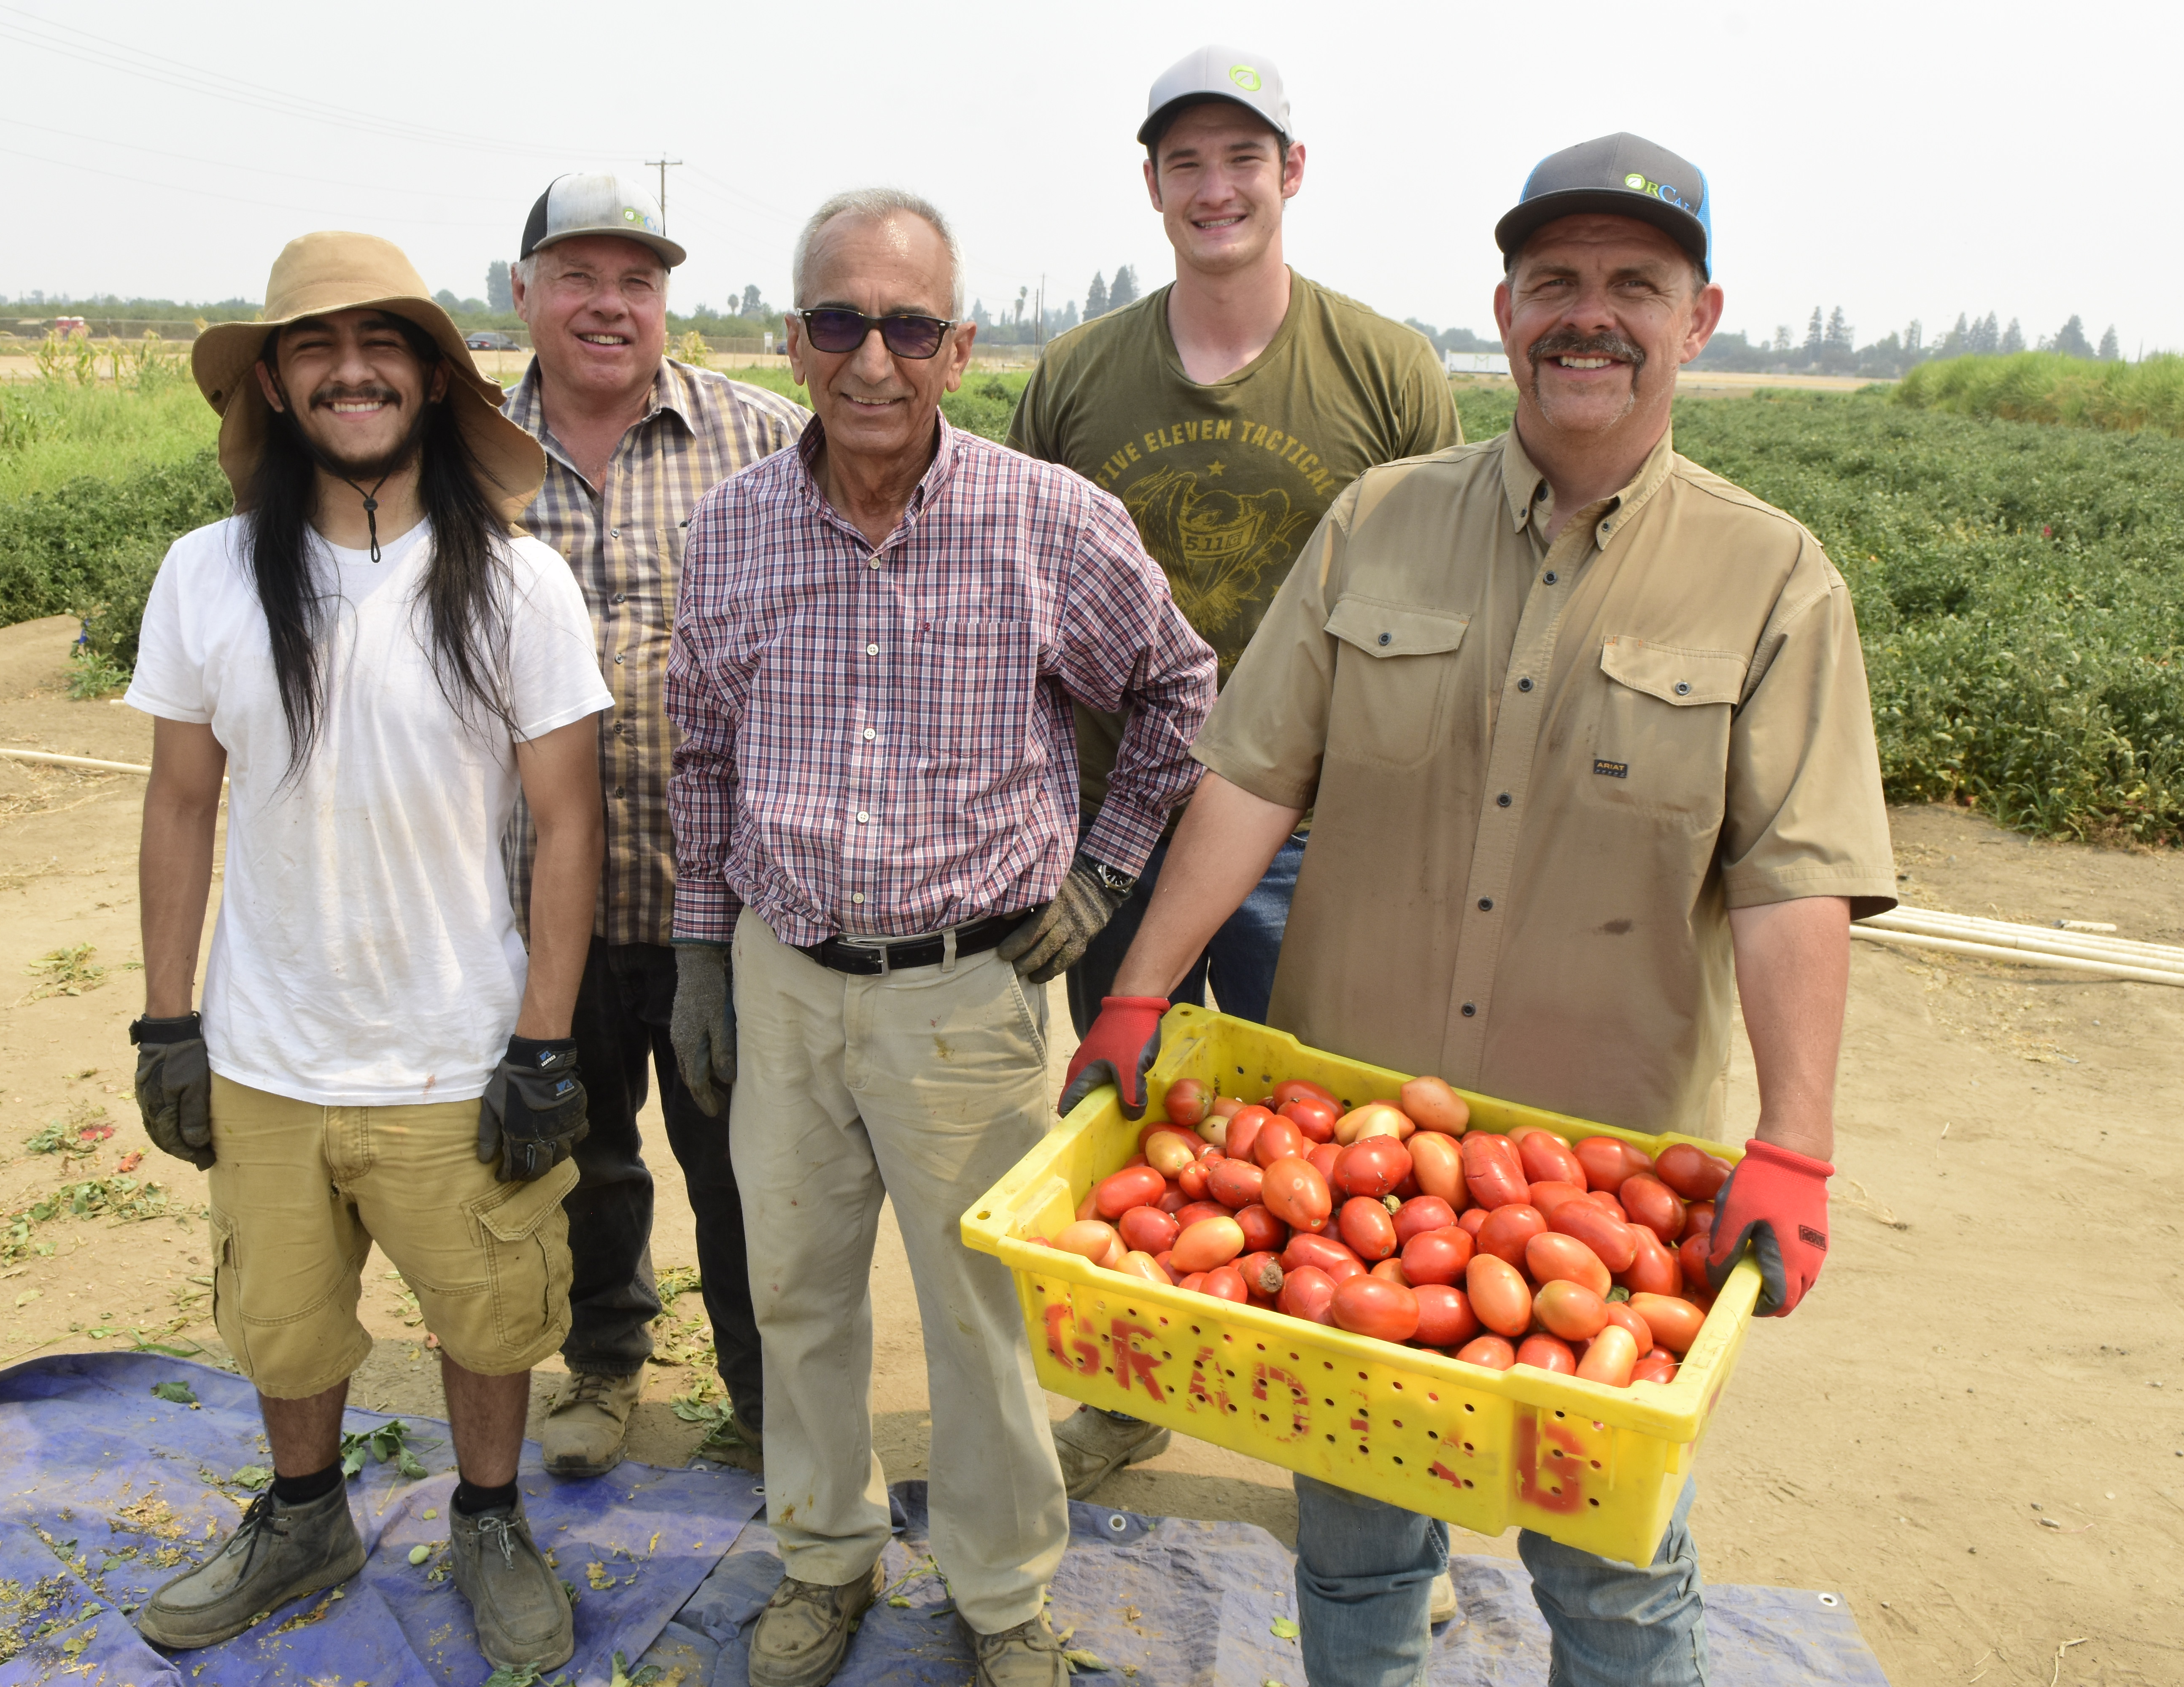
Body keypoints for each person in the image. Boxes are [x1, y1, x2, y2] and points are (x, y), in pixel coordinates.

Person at [1060, 134, 1897, 1686]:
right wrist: (1142, 991)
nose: (1592, 316)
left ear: (1698, 318)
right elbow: (1248, 778)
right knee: (1360, 1550)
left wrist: (1795, 1138)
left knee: (1617, 1577)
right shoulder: (1377, 522)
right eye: (1556, 282)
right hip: (1351, 1134)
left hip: (1607, 1178)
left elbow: (1796, 875)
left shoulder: (1776, 581)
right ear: (1504, 310)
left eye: (1633, 286)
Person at [665, 188, 1216, 1687]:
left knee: (982, 1314)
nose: (872, 361)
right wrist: (704, 951)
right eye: (839, 322)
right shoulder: (734, 529)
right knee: (795, 1289)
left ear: (958, 348)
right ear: (794, 340)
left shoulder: (1049, 520)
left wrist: (1100, 870)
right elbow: (703, 748)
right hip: (784, 981)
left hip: (968, 992)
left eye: (909, 327)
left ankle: (1000, 1592)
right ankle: (823, 1560)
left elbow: (1182, 691)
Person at [124, 232, 613, 1673]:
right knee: (280, 1321)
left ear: (430, 377)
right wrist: (169, 1023)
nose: (352, 372)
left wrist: (542, 1042)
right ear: (274, 387)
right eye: (315, 349)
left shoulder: (519, 587)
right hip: (268, 1044)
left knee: (488, 1312)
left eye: (381, 345)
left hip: (454, 1044)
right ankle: (302, 1518)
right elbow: (178, 802)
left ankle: (487, 1519)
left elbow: (567, 824)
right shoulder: (205, 575)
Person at [1008, 40, 1467, 1507]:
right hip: (1116, 826)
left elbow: (1456, 597)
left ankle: (1344, 1466)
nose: (1217, 188)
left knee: (1328, 1152)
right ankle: (1126, 1399)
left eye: (1243, 160)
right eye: (1187, 163)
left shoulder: (1386, 371)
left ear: (1292, 174)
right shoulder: (1081, 375)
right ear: (1152, 185)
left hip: (1315, 840)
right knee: (1128, 1127)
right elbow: (1024, 605)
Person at [497, 172, 808, 1478]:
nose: (609, 305)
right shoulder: (465, 454)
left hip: (718, 900)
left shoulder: (767, 439)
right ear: (524, 294)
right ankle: (605, 1362)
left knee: (744, 1165)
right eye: (578, 276)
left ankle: (765, 1396)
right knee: (580, 1154)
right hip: (530, 895)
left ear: (667, 299)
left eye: (637, 280)